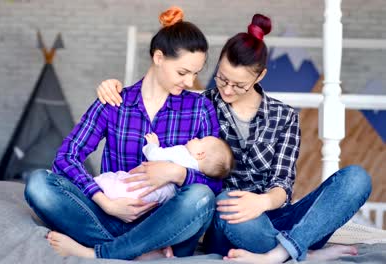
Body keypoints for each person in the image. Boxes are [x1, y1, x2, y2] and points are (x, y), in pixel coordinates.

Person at [96, 13, 372, 263]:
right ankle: (299, 251)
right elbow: (157, 89)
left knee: (356, 178)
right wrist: (113, 86)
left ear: (260, 76)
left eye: (238, 84)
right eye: (222, 79)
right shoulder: (202, 105)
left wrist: (261, 202)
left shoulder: (284, 117)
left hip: (275, 214)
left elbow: (282, 184)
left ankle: (280, 253)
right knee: (228, 200)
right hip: (230, 221)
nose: (227, 90)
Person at [24, 6, 224, 260]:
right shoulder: (115, 100)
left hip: (166, 225)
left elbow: (215, 183)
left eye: (195, 74)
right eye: (183, 72)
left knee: (201, 197)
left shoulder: (200, 108)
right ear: (159, 57)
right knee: (39, 184)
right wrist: (106, 203)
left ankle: (99, 253)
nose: (189, 82)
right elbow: (66, 157)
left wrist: (178, 173)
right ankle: (143, 253)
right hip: (109, 215)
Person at [95, 132, 233, 204]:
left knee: (112, 181)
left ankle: (98, 186)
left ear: (200, 154)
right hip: (158, 199)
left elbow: (154, 156)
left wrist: (152, 144)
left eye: (200, 140)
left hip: (141, 186)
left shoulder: (182, 152)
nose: (196, 138)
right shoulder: (198, 175)